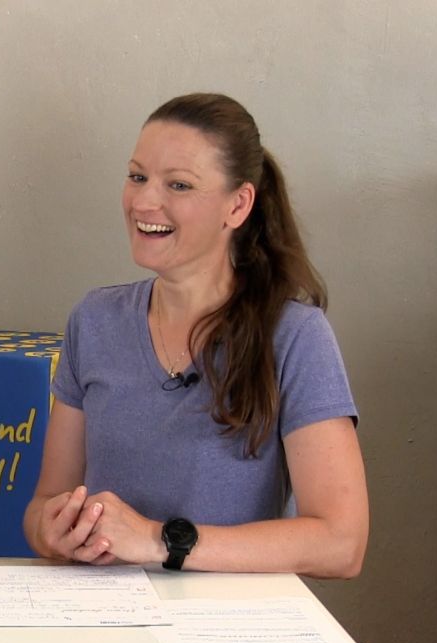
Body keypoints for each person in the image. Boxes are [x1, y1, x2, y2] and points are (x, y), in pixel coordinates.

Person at [23, 93, 368, 578]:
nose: (144, 201)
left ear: (238, 205)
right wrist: (52, 529)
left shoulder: (296, 337)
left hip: (231, 620)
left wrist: (158, 540)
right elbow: (45, 504)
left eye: (179, 185)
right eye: (137, 177)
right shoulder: (94, 320)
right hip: (105, 613)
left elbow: (341, 544)